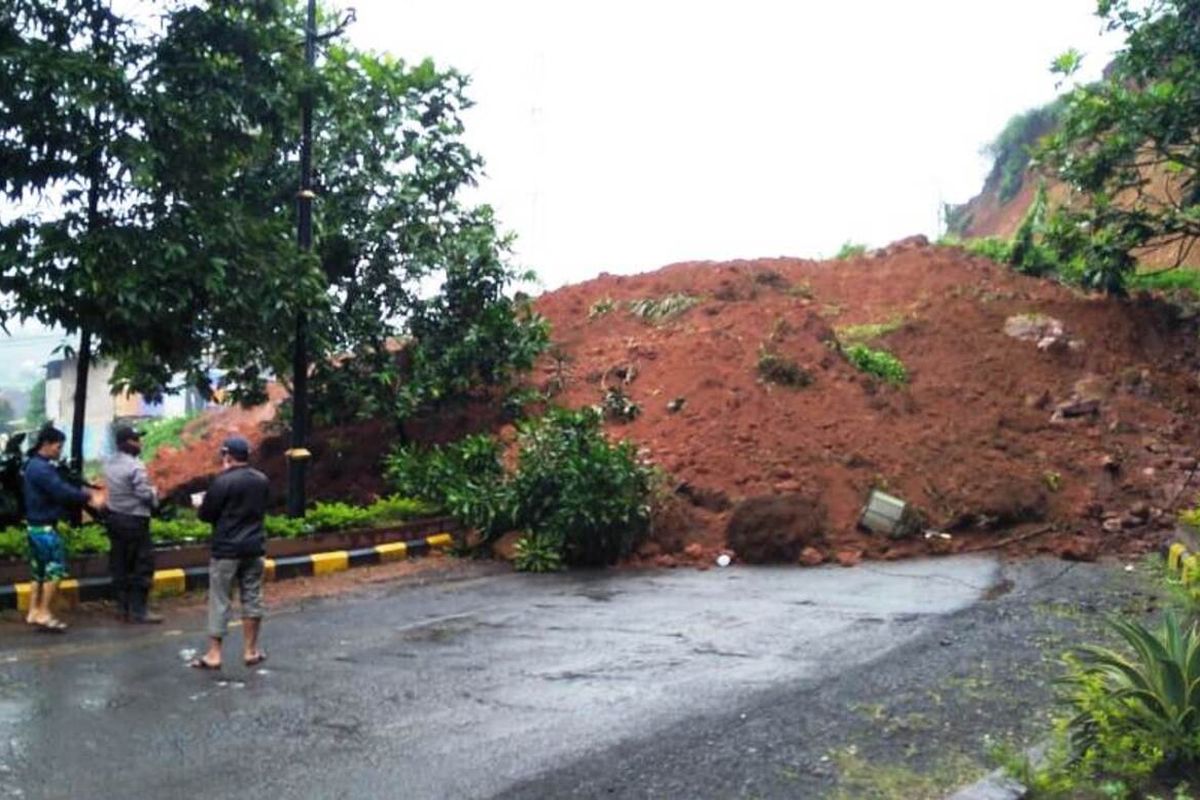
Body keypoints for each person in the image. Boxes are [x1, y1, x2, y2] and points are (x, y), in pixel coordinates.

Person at [190, 435, 269, 670]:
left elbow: (207, 515)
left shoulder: (222, 482)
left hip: (226, 550)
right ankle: (250, 651)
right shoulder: (262, 480)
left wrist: (199, 505)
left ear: (227, 456)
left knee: (220, 600)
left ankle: (214, 654)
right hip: (254, 547)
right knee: (252, 598)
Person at [22, 425, 96, 632]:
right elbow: (61, 491)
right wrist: (89, 496)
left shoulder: (33, 465)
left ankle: (33, 611)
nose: (59, 451)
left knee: (38, 572)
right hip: (45, 530)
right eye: (58, 447)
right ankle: (44, 612)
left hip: (34, 528)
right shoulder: (42, 469)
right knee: (55, 571)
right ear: (45, 444)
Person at [103, 425, 162, 623]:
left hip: (114, 519)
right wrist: (155, 495)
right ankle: (139, 611)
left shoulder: (109, 463)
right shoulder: (135, 466)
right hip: (135, 521)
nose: (140, 443)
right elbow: (143, 494)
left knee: (119, 563)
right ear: (129, 443)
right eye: (137, 440)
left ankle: (122, 608)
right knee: (141, 565)